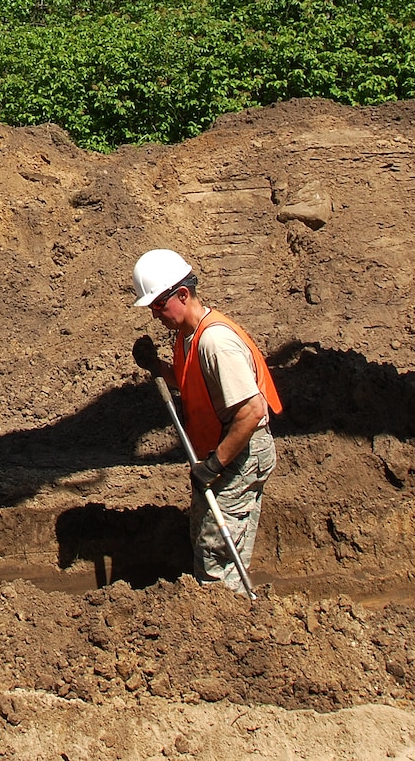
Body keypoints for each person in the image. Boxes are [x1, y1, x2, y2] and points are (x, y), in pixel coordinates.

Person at [129, 249, 282, 594]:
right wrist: (157, 367)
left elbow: (252, 411)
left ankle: (226, 615)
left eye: (158, 306)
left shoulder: (216, 342)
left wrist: (215, 464)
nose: (156, 316)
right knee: (207, 534)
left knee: (217, 550)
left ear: (182, 294)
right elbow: (190, 382)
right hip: (221, 449)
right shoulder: (189, 335)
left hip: (238, 452)